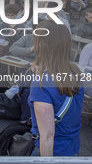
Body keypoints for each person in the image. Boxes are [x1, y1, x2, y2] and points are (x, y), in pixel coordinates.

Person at [29, 20, 84, 156]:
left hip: (53, 152)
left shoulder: (41, 85)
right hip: (72, 146)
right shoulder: (75, 70)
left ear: (41, 45)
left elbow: (47, 136)